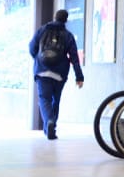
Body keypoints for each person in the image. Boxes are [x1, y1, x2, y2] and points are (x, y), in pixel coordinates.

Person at [28, 9, 85, 140]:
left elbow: (32, 47)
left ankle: (49, 122)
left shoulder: (42, 30)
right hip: (60, 74)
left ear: (54, 17)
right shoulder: (68, 35)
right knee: (55, 101)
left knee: (44, 99)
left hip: (42, 71)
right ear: (66, 20)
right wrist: (79, 77)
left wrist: (38, 59)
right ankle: (51, 126)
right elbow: (74, 57)